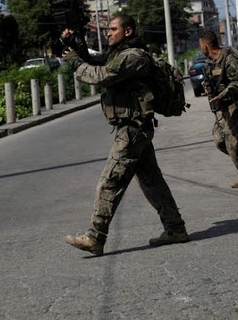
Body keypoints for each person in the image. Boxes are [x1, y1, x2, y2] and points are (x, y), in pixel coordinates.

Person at [61, 14, 188, 256]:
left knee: (109, 182)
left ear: (127, 31)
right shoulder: (120, 54)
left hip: (132, 129)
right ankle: (175, 229)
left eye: (112, 29)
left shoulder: (134, 57)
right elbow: (96, 61)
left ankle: (95, 237)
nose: (107, 33)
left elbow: (101, 75)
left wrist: (76, 62)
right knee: (153, 183)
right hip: (134, 129)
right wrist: (74, 44)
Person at [199, 30, 238, 188]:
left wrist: (222, 94)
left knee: (233, 144)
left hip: (236, 106)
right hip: (221, 108)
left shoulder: (229, 58)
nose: (199, 47)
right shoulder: (209, 63)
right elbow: (210, 82)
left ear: (206, 45)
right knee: (220, 141)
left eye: (200, 44)